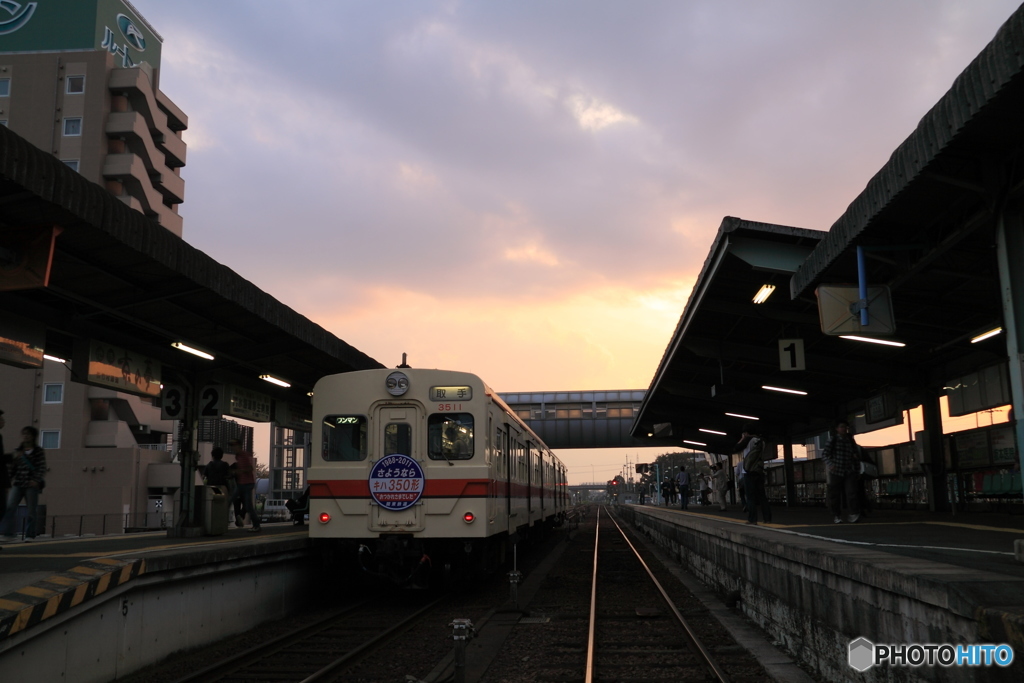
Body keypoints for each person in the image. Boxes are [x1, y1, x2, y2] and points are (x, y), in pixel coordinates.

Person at [1, 426, 46, 540]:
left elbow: (41, 467)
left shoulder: (38, 451)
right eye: (24, 434)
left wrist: (36, 480)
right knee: (10, 507)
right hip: (18, 483)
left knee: (31, 510)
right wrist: (7, 482)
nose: (26, 436)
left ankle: (30, 534)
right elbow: (12, 468)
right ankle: (8, 533)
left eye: (28, 434)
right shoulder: (18, 451)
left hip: (31, 485)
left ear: (33, 436)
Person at [822, 420, 862, 523]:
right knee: (835, 494)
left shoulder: (850, 441)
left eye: (845, 427)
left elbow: (856, 456)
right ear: (837, 429)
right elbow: (825, 454)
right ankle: (837, 515)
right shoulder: (833, 440)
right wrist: (831, 465)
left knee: (851, 492)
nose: (843, 429)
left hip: (849, 470)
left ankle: (853, 513)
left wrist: (857, 470)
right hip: (836, 470)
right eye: (841, 427)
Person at [739, 424, 771, 525]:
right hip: (759, 470)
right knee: (762, 496)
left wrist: (742, 439)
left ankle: (752, 519)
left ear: (746, 433)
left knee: (750, 497)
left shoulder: (748, 440)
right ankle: (767, 518)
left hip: (749, 471)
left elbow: (736, 447)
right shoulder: (761, 441)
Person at [226, 438, 260, 532]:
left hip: (247, 483)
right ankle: (221, 522)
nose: (232, 448)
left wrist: (239, 471)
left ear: (239, 445)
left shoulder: (244, 455)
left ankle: (256, 525)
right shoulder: (238, 456)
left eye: (234, 445)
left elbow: (250, 468)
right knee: (231, 501)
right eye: (231, 446)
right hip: (242, 483)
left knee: (246, 505)